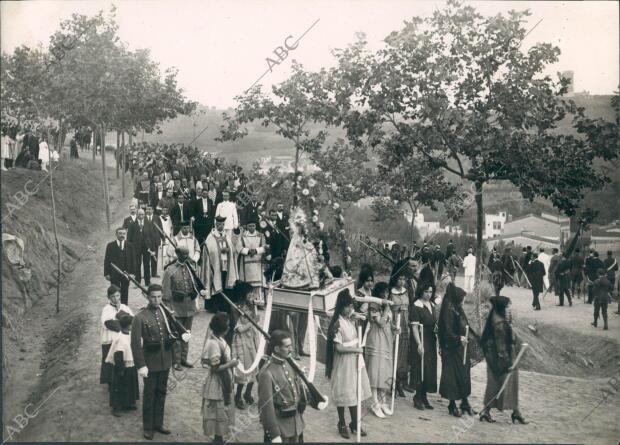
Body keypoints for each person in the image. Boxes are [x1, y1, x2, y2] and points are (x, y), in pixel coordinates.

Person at [131, 284, 186, 440]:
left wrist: (175, 359)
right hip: (150, 364)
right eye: (153, 297)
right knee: (149, 394)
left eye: (159, 297)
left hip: (164, 361)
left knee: (161, 392)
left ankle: (158, 423)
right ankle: (148, 427)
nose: (157, 300)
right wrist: (141, 365)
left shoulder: (165, 313)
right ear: (148, 297)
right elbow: (135, 344)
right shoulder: (140, 317)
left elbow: (172, 334)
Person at [325, 289, 371, 439]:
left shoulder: (349, 320)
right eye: (347, 307)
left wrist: (356, 315)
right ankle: (342, 422)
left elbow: (360, 316)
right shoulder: (337, 323)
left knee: (354, 391)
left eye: (352, 307)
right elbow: (338, 348)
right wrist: (356, 350)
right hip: (344, 362)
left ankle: (354, 422)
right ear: (341, 307)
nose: (350, 310)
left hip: (355, 362)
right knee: (344, 391)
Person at [479, 296, 528, 425]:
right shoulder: (499, 324)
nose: (508, 309)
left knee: (505, 385)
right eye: (507, 307)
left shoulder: (496, 317)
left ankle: (516, 412)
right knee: (497, 385)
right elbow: (501, 346)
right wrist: (508, 364)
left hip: (497, 359)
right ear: (501, 307)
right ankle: (486, 411)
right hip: (500, 361)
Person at [258, 329, 308, 443]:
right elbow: (266, 407)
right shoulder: (267, 372)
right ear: (276, 349)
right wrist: (274, 432)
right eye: (287, 346)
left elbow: (300, 391)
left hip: (297, 425)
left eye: (291, 345)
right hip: (281, 429)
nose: (291, 349)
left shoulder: (290, 364)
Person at [162, 246, 207, 370]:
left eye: (187, 254)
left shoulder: (189, 268)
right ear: (177, 254)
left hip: (189, 306)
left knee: (187, 333)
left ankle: (183, 359)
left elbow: (195, 284)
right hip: (176, 307)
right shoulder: (169, 270)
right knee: (176, 334)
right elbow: (165, 294)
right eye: (183, 254)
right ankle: (175, 361)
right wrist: (169, 309)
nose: (186, 257)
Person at [438, 283, 475, 417]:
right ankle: (452, 404)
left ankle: (464, 402)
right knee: (452, 377)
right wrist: (459, 338)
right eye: (463, 298)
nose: (464, 301)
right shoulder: (448, 311)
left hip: (461, 349)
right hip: (451, 349)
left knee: (464, 374)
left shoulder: (458, 308)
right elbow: (447, 331)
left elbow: (464, 325)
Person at [201, 312, 238, 443]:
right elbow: (215, 368)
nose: (229, 328)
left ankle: (219, 437)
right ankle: (218, 438)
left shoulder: (219, 339)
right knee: (218, 411)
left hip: (224, 379)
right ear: (222, 328)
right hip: (218, 383)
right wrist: (231, 364)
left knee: (222, 411)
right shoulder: (213, 344)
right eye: (227, 326)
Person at [365, 282, 397, 418]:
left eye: (387, 292)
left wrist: (395, 328)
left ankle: (383, 401)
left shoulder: (386, 306)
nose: (386, 294)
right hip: (376, 339)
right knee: (375, 370)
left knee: (384, 370)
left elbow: (388, 323)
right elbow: (380, 322)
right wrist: (387, 307)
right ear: (378, 293)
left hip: (387, 338)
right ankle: (375, 402)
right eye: (383, 292)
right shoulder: (374, 305)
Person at [201, 215, 239, 314]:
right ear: (215, 225)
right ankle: (214, 307)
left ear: (224, 225)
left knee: (225, 284)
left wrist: (228, 250)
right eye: (218, 224)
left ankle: (226, 306)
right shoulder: (211, 237)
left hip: (226, 265)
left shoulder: (227, 236)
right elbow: (209, 250)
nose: (220, 226)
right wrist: (218, 251)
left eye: (222, 224)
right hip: (215, 265)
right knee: (216, 282)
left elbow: (232, 249)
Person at [410, 284, 438, 410]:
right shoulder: (416, 306)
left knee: (429, 368)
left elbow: (433, 321)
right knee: (420, 368)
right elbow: (414, 327)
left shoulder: (432, 305)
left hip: (431, 339)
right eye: (426, 291)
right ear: (421, 291)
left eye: (431, 291)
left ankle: (424, 395)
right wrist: (419, 343)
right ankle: (417, 397)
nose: (428, 294)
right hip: (421, 339)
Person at [106, 312, 139, 416]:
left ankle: (128, 403)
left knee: (129, 384)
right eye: (132, 325)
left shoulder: (129, 334)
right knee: (119, 386)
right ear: (128, 326)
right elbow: (118, 355)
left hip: (130, 364)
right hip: (122, 366)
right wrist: (120, 369)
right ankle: (116, 407)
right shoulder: (120, 339)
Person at [100, 285, 133, 385]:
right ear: (108, 297)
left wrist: (120, 313)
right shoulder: (106, 309)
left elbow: (132, 320)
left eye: (118, 296)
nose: (116, 299)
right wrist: (122, 322)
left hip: (122, 339)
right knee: (111, 360)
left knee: (123, 359)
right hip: (110, 338)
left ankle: (123, 381)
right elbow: (108, 323)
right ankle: (112, 383)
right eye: (113, 296)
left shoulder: (124, 307)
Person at [232, 298, 260, 410]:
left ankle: (247, 393)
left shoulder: (252, 324)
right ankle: (238, 395)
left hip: (252, 351)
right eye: (245, 314)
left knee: (253, 372)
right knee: (243, 374)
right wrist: (252, 323)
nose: (247, 315)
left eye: (249, 312)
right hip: (243, 352)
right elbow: (240, 329)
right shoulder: (239, 324)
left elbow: (256, 338)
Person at [388, 272, 411, 396]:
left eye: (403, 278)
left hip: (405, 325)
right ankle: (392, 384)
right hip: (394, 324)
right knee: (393, 353)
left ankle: (400, 384)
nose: (402, 281)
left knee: (403, 355)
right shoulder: (390, 293)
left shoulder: (406, 291)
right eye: (399, 278)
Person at [237, 220, 267, 306]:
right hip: (246, 262)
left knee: (258, 284)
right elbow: (238, 247)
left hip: (257, 262)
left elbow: (264, 247)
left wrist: (256, 250)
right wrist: (248, 251)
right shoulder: (242, 236)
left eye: (253, 226)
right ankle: (248, 301)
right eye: (250, 226)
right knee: (247, 284)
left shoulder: (260, 235)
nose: (252, 228)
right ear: (246, 226)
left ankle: (258, 302)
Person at [103, 228, 135, 305]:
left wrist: (133, 273)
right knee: (114, 292)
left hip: (126, 273)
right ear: (116, 234)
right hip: (114, 273)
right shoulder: (110, 245)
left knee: (125, 291)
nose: (122, 235)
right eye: (120, 233)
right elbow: (107, 260)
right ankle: (115, 306)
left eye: (123, 233)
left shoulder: (130, 245)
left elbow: (133, 260)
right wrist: (106, 273)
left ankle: (124, 307)